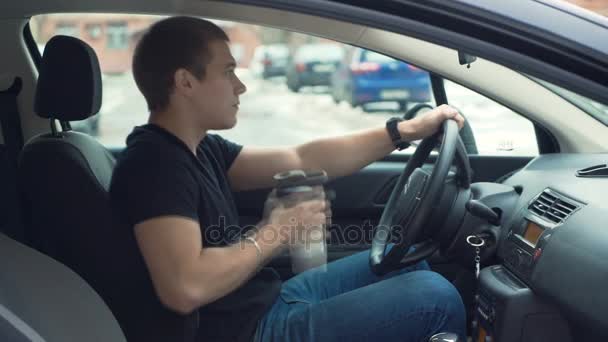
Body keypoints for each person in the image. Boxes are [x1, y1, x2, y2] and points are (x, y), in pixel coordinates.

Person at [109, 16, 467, 342]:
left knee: (404, 262)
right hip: (246, 332)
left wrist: (404, 131)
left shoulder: (201, 148)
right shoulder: (154, 164)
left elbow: (303, 158)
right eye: (228, 71)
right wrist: (277, 230)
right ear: (186, 81)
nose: (240, 86)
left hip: (266, 301)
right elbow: (185, 287)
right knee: (434, 297)